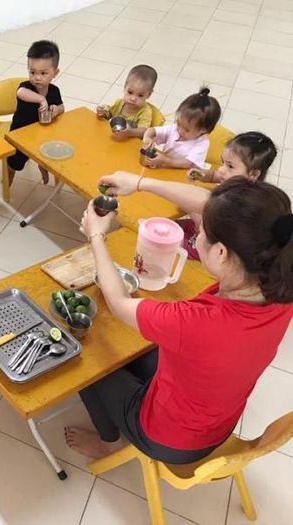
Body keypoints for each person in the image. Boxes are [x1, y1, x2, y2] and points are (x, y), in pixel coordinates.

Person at [65, 174, 293, 464]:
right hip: (219, 419)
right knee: (131, 349)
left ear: (221, 252)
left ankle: (107, 441)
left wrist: (96, 236)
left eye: (200, 231)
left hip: (170, 439)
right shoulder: (280, 282)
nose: (197, 232)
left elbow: (120, 303)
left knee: (86, 360)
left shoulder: (197, 322)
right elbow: (213, 206)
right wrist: (140, 183)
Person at [178, 131, 278, 259]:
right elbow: (213, 176)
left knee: (164, 241)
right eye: (222, 162)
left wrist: (190, 209)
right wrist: (199, 174)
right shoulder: (232, 178)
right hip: (200, 226)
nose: (221, 170)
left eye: (230, 166)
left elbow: (208, 224)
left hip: (211, 245)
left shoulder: (242, 200)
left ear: (253, 174)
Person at [7, 40, 64, 186]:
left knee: (49, 153)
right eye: (32, 72)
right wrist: (41, 99)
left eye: (43, 73)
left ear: (55, 73)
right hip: (20, 134)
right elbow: (20, 92)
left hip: (43, 134)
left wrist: (56, 109)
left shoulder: (54, 91)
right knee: (13, 163)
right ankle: (7, 181)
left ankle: (43, 166)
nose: (37, 77)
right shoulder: (26, 87)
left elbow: (61, 106)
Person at [141, 87, 221, 170]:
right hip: (165, 170)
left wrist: (166, 160)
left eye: (186, 129)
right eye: (178, 123)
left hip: (182, 174)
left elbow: (188, 163)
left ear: (203, 130)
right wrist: (147, 137)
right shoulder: (174, 129)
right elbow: (152, 130)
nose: (180, 130)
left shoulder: (202, 143)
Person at [96, 64, 158, 140]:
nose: (133, 98)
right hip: (113, 139)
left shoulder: (145, 111)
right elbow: (109, 115)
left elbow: (144, 131)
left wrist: (129, 132)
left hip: (131, 143)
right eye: (130, 92)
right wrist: (102, 113)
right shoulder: (119, 103)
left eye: (140, 95)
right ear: (125, 87)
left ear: (149, 94)